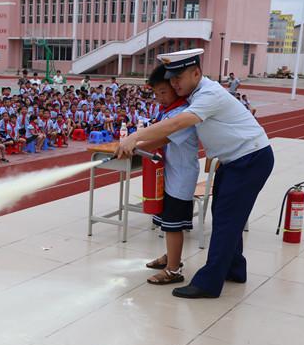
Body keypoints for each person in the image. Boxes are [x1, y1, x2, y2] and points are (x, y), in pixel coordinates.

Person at [116, 48, 274, 299]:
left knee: (225, 221)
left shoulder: (207, 95)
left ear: (196, 73)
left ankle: (209, 283)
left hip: (249, 159)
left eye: (179, 78)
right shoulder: (195, 93)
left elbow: (178, 123)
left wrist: (135, 136)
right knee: (223, 214)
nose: (174, 83)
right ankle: (235, 268)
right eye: (172, 79)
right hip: (235, 159)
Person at [140, 65, 200, 285]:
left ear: (176, 87)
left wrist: (133, 144)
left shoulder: (183, 114)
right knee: (167, 221)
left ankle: (173, 270)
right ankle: (170, 257)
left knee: (174, 224)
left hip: (181, 177)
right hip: (170, 174)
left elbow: (162, 138)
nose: (160, 98)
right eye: (156, 94)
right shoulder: (168, 111)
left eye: (163, 92)